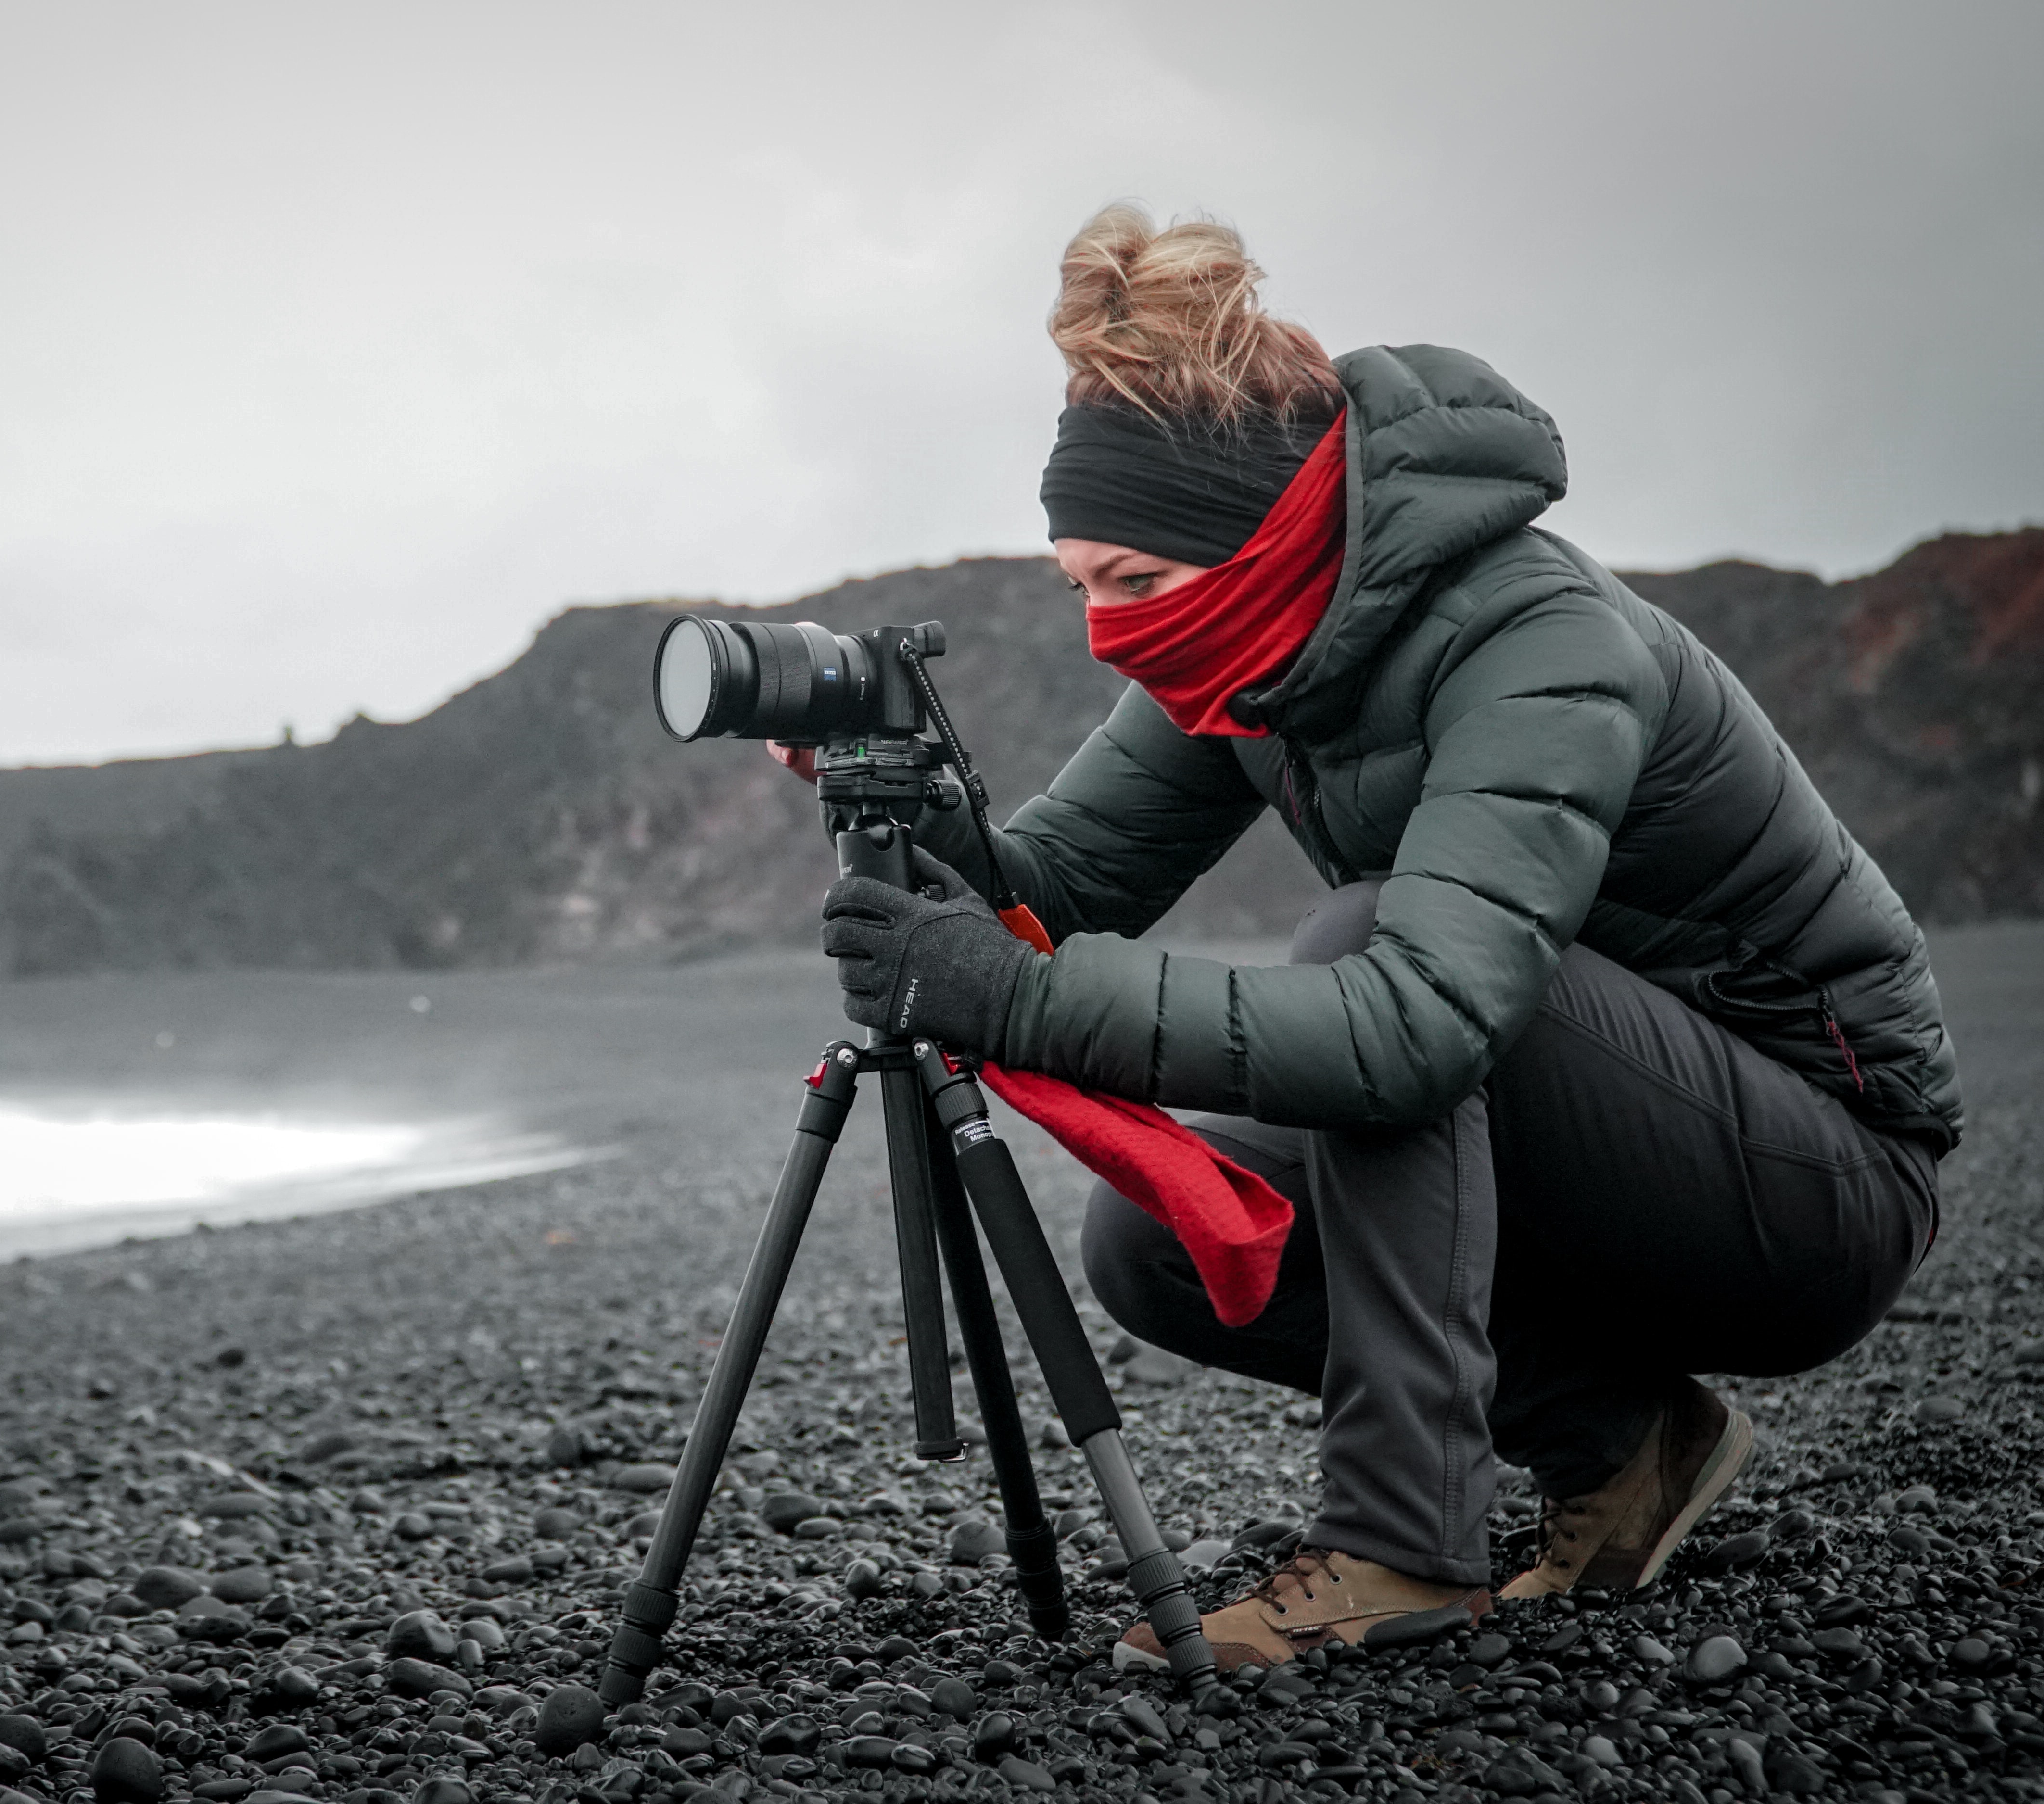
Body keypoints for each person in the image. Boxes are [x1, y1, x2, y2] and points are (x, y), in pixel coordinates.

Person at [804, 205, 1955, 1673]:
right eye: (1079, 586)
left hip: (1813, 1190)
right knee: (1170, 1234)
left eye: (1135, 584)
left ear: (1260, 535)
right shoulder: (1240, 650)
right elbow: (1059, 886)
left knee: (1370, 946)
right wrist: (916, 814)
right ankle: (1629, 1439)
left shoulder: (1536, 638)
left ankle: (1405, 1550)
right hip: (1576, 1137)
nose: (1108, 631)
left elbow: (1419, 1022)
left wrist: (1015, 1000)